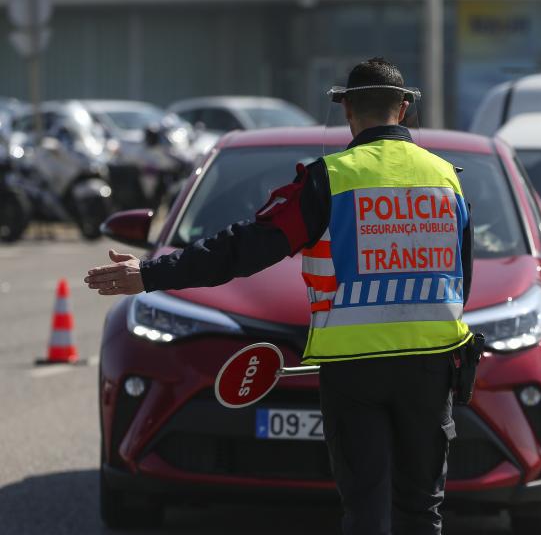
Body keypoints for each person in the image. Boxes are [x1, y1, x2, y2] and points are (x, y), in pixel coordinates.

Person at [84, 57, 474, 535]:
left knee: (366, 511)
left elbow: (243, 249)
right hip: (431, 367)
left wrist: (149, 273)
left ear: (348, 109)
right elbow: (463, 279)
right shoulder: (447, 178)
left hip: (355, 372)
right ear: (405, 108)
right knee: (421, 510)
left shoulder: (327, 179)